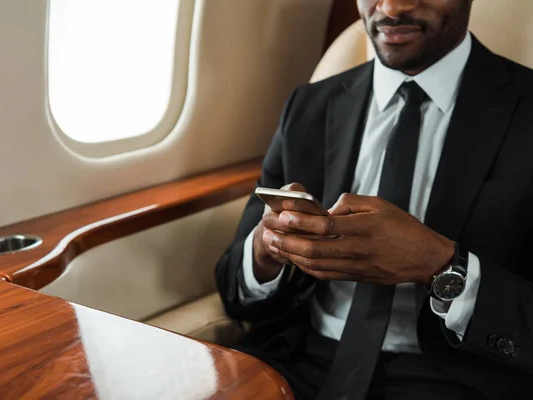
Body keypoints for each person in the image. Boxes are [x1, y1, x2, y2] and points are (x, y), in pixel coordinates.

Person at [215, 0, 533, 399]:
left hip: (463, 376)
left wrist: (441, 265)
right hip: (298, 360)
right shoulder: (308, 105)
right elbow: (234, 291)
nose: (392, 7)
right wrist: (265, 251)